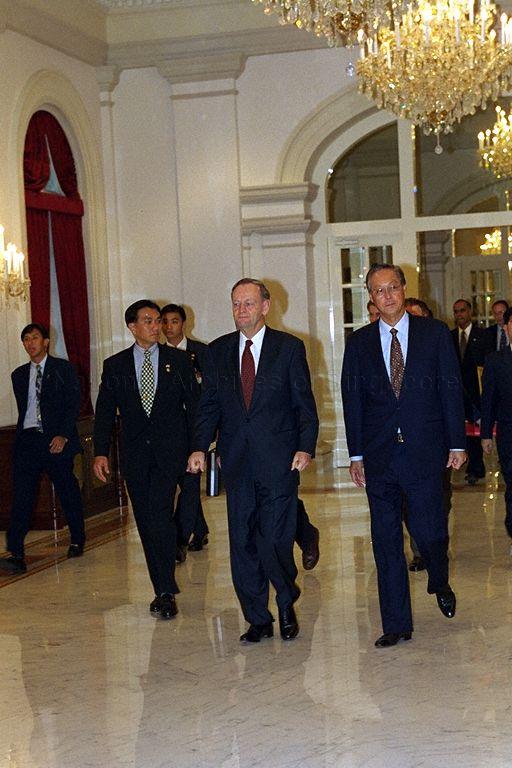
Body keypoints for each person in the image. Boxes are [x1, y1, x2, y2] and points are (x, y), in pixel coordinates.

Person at [341, 264, 466, 648]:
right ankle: (395, 623)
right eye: (379, 291)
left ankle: (439, 578)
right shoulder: (359, 343)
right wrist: (356, 453)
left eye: (393, 287)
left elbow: (450, 390)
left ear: (403, 289)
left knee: (429, 532)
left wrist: (457, 443)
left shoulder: (434, 334)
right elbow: (353, 401)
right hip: (380, 457)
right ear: (371, 299)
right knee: (385, 540)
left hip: (425, 452)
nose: (388, 296)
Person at [187, 278, 319, 643]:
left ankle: (286, 598)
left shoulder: (289, 348)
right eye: (235, 304)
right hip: (238, 462)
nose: (240, 310)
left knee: (273, 539)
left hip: (280, 461)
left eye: (248, 303)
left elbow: (303, 405)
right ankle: (257, 618)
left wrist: (305, 447)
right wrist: (200, 446)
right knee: (243, 540)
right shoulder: (216, 352)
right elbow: (208, 406)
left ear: (265, 306)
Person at [93, 300, 198, 619]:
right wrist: (100, 451)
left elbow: (194, 407)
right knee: (146, 520)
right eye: (149, 321)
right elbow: (104, 413)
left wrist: (198, 447)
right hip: (136, 456)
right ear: (132, 327)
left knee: (160, 515)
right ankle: (162, 585)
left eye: (159, 321)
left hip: (170, 453)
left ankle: (165, 590)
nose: (157, 326)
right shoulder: (116, 366)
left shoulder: (178, 362)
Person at [0, 324, 85, 574]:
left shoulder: (63, 369)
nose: (30, 343)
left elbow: (73, 404)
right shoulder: (18, 374)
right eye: (25, 339)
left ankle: (78, 538)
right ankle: (16, 552)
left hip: (56, 440)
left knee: (67, 490)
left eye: (34, 338)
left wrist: (63, 435)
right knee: (22, 496)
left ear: (46, 341)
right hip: (28, 441)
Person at [161, 303, 209, 558]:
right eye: (165, 322)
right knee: (183, 481)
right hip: (169, 431)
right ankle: (199, 529)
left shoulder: (200, 352)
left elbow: (211, 391)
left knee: (190, 482)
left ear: (184, 323)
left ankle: (179, 539)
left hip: (195, 428)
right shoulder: (157, 355)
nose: (169, 327)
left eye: (174, 321)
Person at [480, 306, 512, 538]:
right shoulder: (496, 361)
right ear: (506, 327)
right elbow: (488, 399)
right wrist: (485, 435)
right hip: (509, 435)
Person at [451, 299, 486, 485]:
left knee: (476, 432)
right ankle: (465, 464)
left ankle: (476, 467)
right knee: (462, 431)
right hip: (457, 392)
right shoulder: (449, 336)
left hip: (476, 390)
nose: (459, 314)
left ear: (470, 311)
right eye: (456, 311)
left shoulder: (482, 335)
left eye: (462, 310)